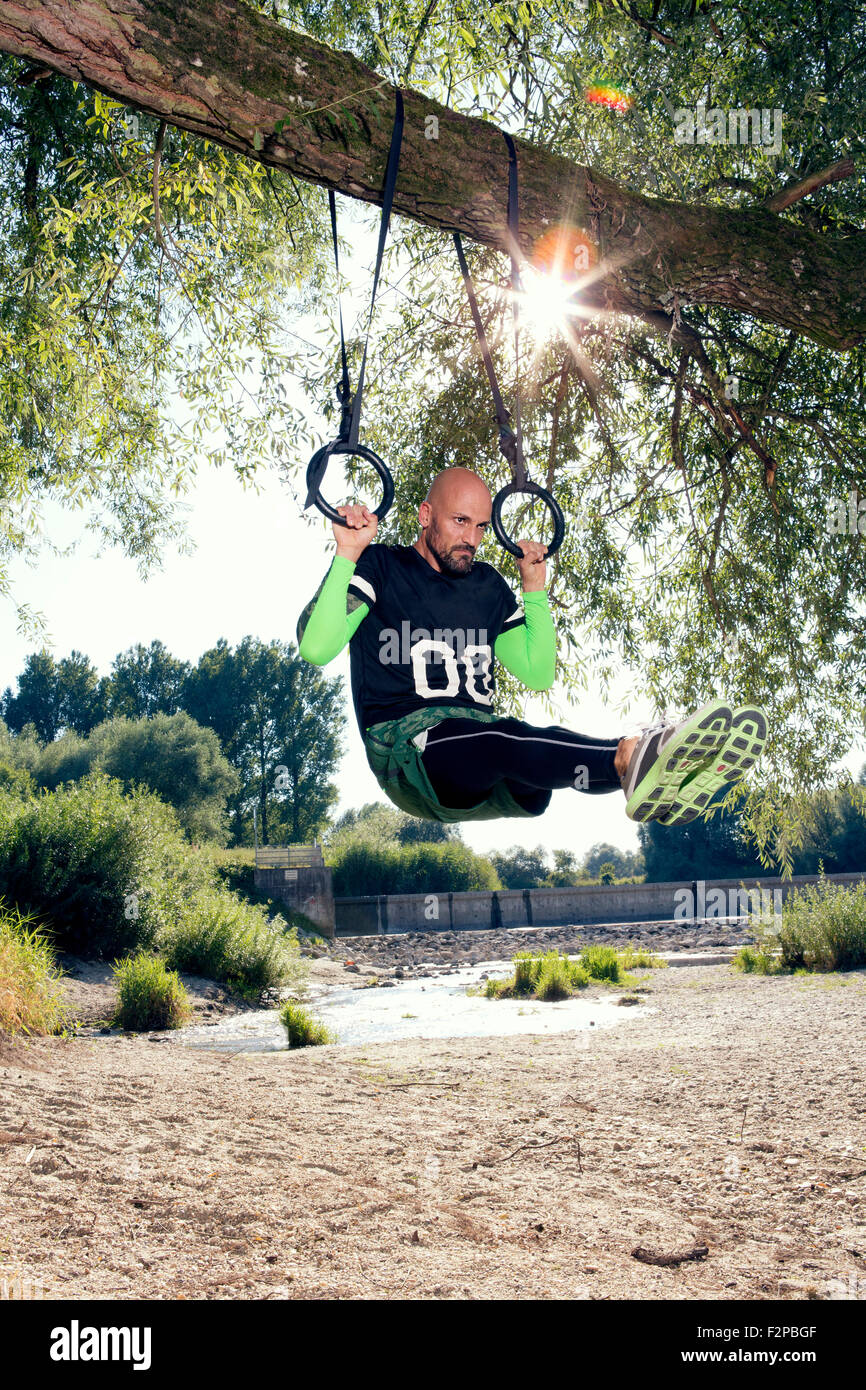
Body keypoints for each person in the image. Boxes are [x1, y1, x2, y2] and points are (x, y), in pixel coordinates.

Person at [296, 467, 767, 825]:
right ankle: (630, 752)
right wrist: (348, 553)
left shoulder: (486, 587)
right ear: (425, 516)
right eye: (460, 521)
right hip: (413, 759)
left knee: (530, 757)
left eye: (481, 526)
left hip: (491, 769)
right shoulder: (382, 566)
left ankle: (649, 776)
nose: (472, 539)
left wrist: (534, 588)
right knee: (508, 739)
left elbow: (538, 674)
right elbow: (317, 648)